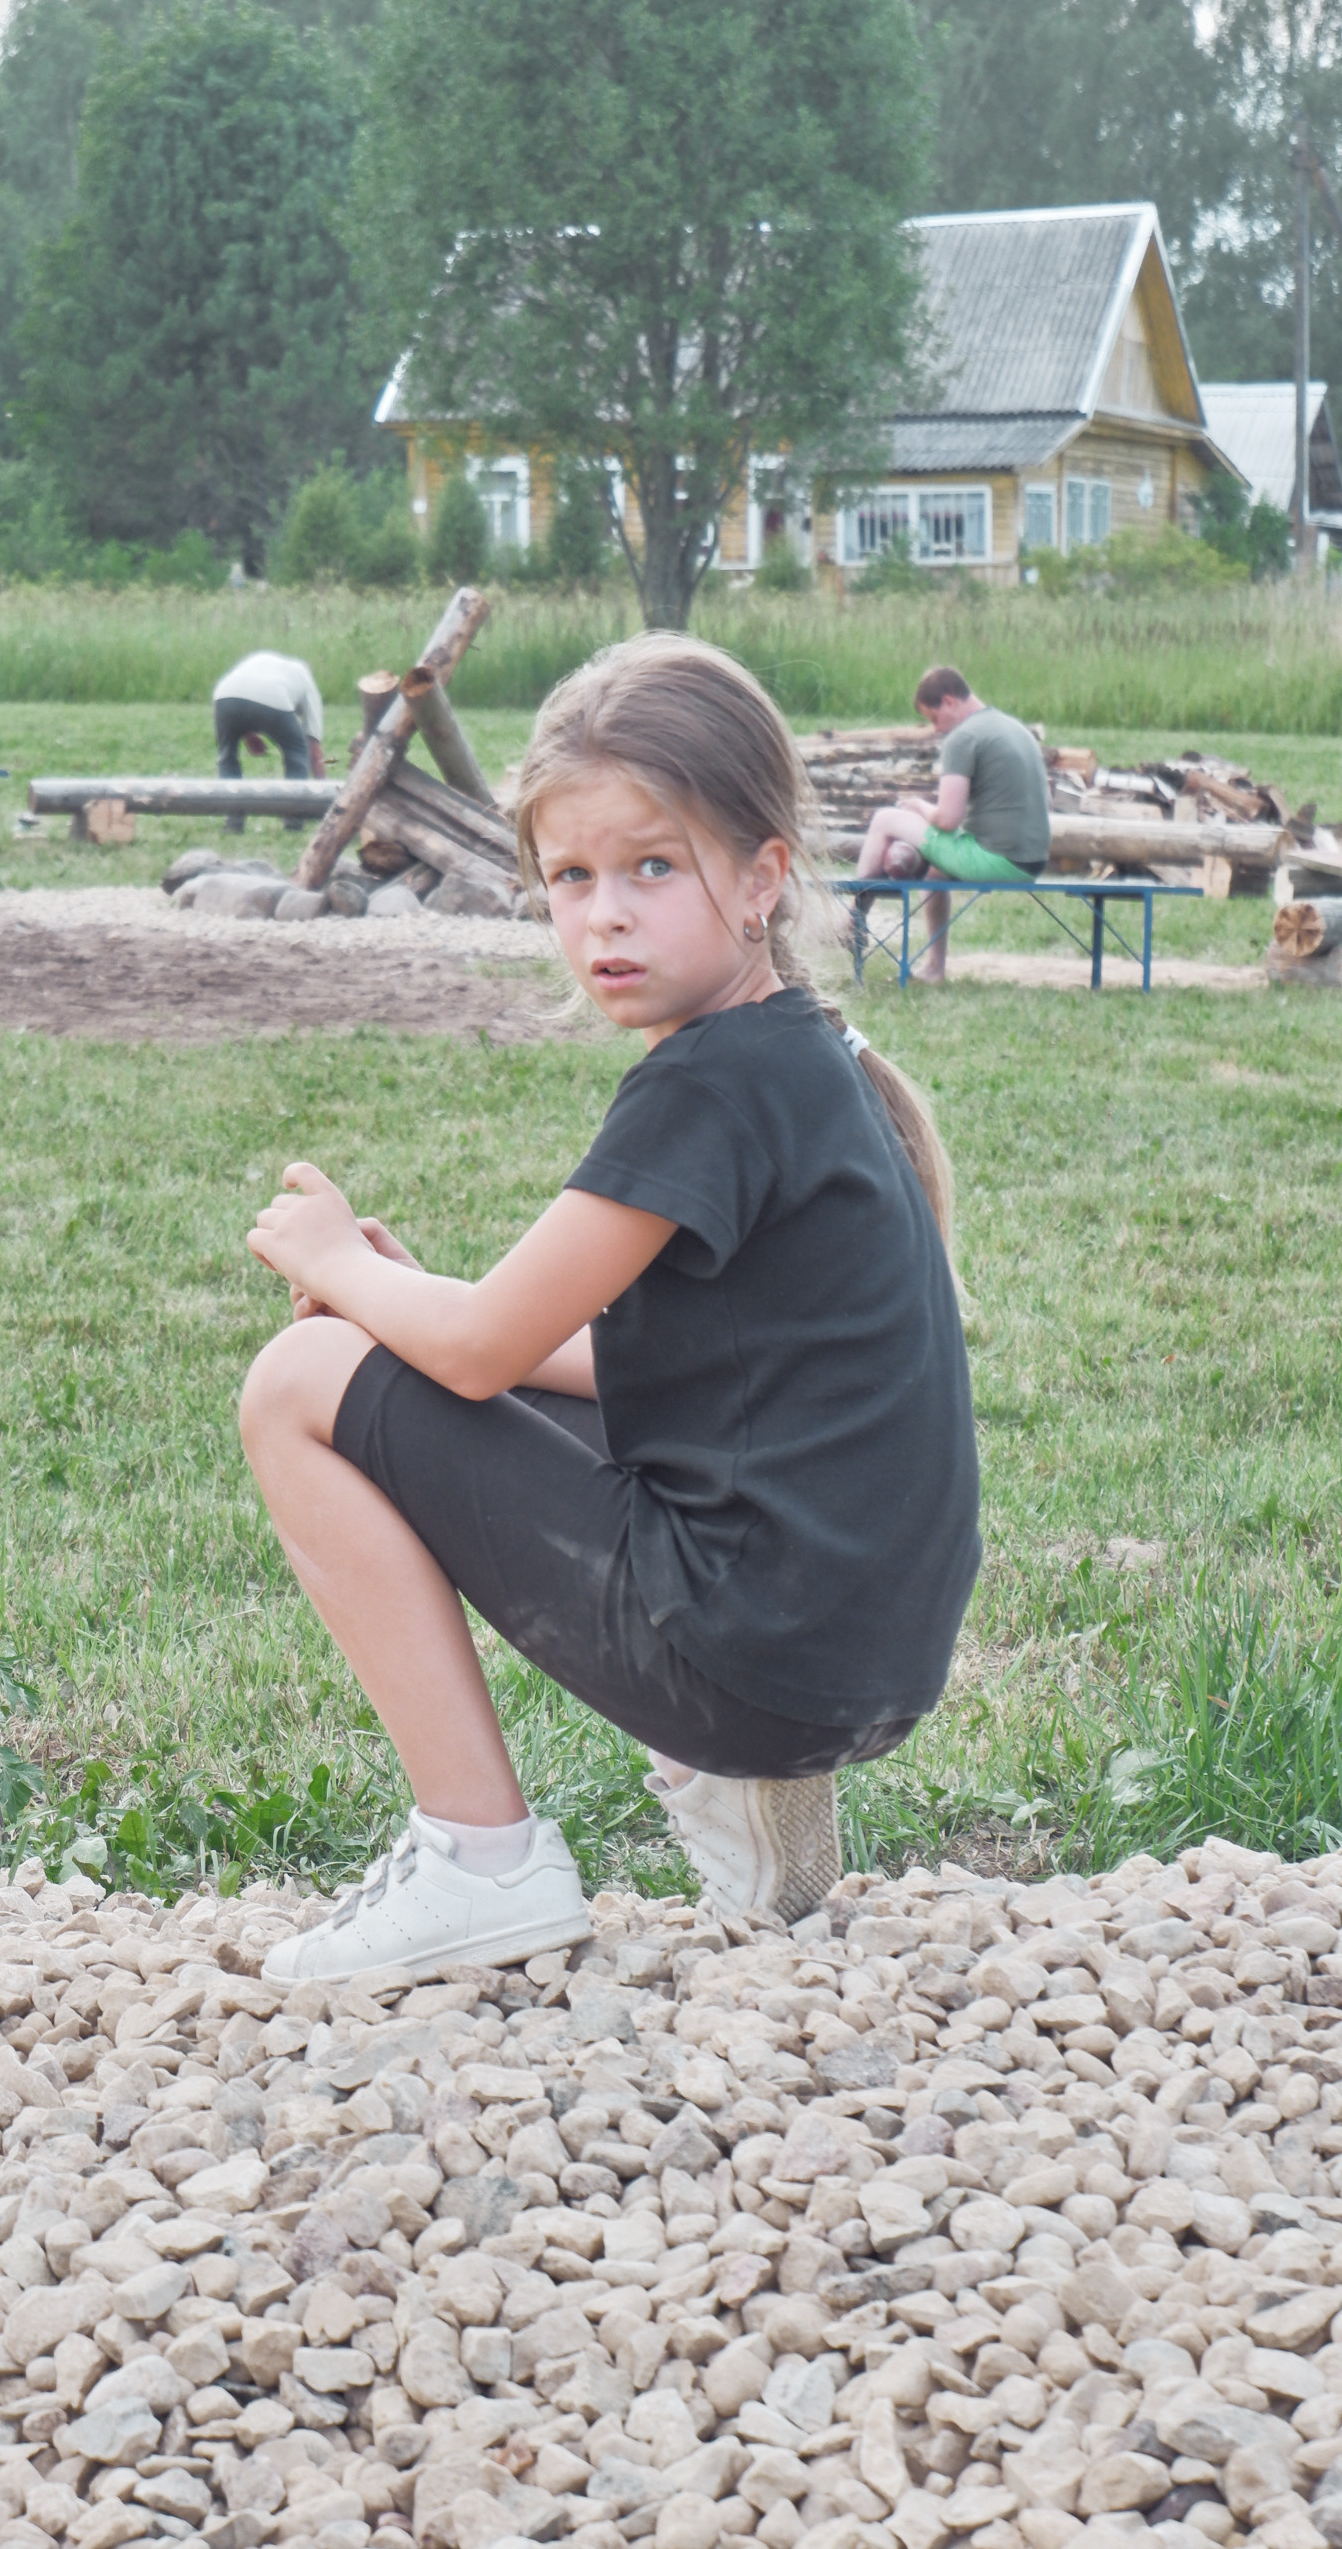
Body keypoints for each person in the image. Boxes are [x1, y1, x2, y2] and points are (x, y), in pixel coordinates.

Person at [239, 632, 981, 1989]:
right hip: (851, 1653)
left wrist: (337, 1266)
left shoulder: (705, 1084)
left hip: (756, 1656)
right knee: (383, 1360)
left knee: (294, 1386)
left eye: (651, 867)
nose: (604, 917)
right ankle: (732, 1784)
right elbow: (631, 1363)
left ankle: (480, 1863)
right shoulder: (806, 1056)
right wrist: (400, 1309)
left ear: (761, 878)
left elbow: (480, 1350)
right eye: (570, 878)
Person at [854, 666, 1051, 979]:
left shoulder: (963, 737)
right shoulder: (1013, 728)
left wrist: (919, 806)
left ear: (948, 701)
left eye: (934, 718)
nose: (935, 729)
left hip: (997, 862)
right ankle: (935, 968)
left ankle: (853, 918)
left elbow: (947, 819)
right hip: (1033, 861)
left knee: (884, 819)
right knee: (936, 873)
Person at [211, 651, 324, 835]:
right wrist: (323, 794)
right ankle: (294, 821)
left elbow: (245, 694)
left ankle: (233, 822)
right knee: (297, 753)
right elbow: (314, 748)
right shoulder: (306, 680)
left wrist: (247, 733)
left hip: (224, 695)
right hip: (274, 697)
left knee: (227, 758)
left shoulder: (264, 660)